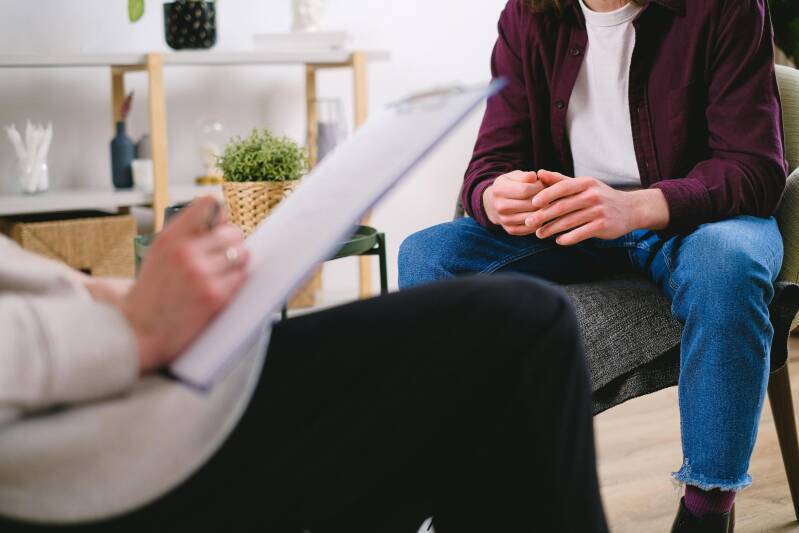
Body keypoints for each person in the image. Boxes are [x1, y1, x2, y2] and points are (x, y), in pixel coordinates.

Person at [398, 0, 786, 531]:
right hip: (573, 226)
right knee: (425, 256)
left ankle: (706, 509)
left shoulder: (724, 8)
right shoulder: (528, 14)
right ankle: (461, 490)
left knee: (728, 267)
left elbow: (756, 170)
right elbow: (490, 161)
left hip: (696, 220)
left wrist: (637, 206)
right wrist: (493, 195)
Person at [0, 197, 608, 533]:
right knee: (517, 328)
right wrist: (132, 330)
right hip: (85, 457)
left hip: (118, 392)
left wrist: (118, 297)